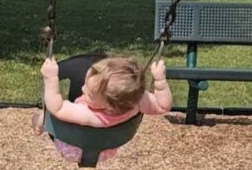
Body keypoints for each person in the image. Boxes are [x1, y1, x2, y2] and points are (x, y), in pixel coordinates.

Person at [32, 56, 172, 164]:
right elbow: (162, 106)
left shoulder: (89, 114)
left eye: (90, 94)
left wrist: (51, 79)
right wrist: (160, 81)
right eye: (86, 84)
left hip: (74, 148)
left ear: (110, 106)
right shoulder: (136, 100)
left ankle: (38, 124)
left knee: (47, 115)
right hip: (107, 148)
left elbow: (57, 108)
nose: (83, 89)